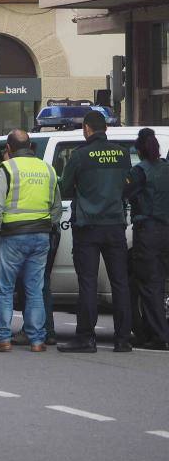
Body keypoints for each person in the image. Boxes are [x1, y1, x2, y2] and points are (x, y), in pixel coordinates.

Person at [57, 111, 132, 353]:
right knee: (120, 283)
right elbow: (126, 187)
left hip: (88, 228)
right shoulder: (122, 154)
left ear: (87, 129)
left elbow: (66, 188)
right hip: (115, 226)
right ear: (105, 129)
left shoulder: (80, 156)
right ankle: (123, 340)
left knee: (88, 283)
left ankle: (86, 338)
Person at [0, 130, 62, 353]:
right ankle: (37, 340)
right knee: (35, 290)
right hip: (41, 236)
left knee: (5, 289)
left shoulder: (7, 168)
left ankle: (2, 338)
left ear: (8, 149)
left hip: (12, 236)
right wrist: (48, 226)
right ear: (30, 146)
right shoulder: (47, 169)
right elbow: (56, 208)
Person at [125, 128, 169, 350]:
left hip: (148, 233)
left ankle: (158, 335)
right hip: (165, 231)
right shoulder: (166, 168)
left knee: (148, 285)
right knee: (157, 285)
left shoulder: (139, 171)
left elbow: (126, 193)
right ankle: (148, 332)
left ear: (139, 149)